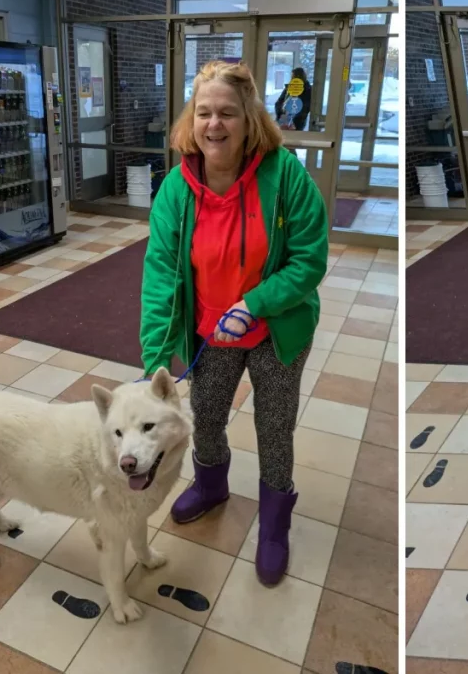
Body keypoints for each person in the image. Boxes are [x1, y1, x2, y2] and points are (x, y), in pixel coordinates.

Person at [140, 60, 328, 585]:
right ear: (191, 120)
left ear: (249, 119)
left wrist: (255, 303)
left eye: (227, 112)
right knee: (206, 412)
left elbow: (309, 259)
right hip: (210, 331)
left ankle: (274, 524)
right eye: (204, 113)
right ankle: (211, 485)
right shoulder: (177, 189)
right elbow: (160, 276)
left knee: (274, 426)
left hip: (276, 329)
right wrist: (153, 363)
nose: (214, 125)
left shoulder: (285, 174)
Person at [274, 67, 312, 131]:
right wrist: (281, 113)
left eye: (293, 77)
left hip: (297, 122)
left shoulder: (307, 90)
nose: (292, 79)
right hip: (283, 120)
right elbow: (279, 102)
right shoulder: (289, 88)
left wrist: (294, 116)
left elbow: (307, 106)